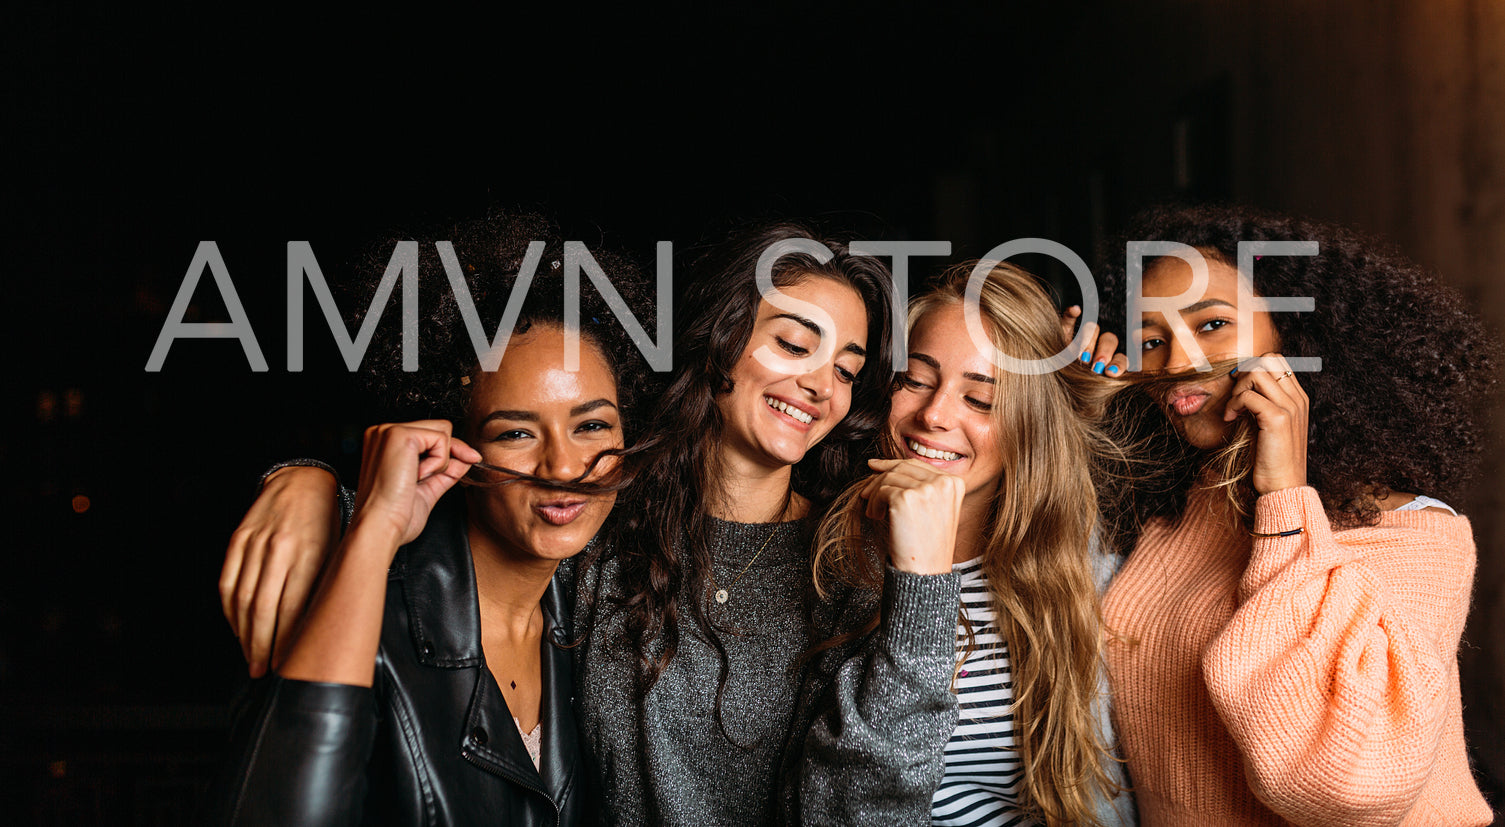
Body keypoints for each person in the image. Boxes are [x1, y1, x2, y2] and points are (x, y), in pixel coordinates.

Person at [217, 220, 901, 825]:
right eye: (792, 344)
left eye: (845, 369)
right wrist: (305, 481)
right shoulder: (604, 534)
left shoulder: (839, 561)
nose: (563, 466)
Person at [209, 213, 656, 826]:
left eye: (592, 425)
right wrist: (366, 523)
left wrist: (302, 474)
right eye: (517, 432)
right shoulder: (357, 601)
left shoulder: (594, 610)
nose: (563, 467)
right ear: (456, 440)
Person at [1082, 203, 1496, 826]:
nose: (1175, 363)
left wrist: (1282, 494)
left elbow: (1344, 785)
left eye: (1213, 323)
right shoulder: (1175, 515)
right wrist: (1073, 409)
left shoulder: (1416, 533)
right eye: (1150, 339)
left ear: (1296, 336)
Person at [794, 260, 1136, 827]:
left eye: (980, 399)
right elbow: (844, 805)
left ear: (1031, 424)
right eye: (916, 380)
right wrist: (920, 583)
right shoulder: (826, 562)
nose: (934, 415)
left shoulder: (1083, 571)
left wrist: (1109, 387)